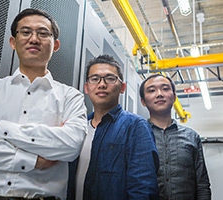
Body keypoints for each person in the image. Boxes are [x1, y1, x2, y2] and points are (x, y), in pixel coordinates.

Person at [0, 8, 87, 200]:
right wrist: (32, 159)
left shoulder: (71, 97)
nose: (34, 39)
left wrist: (1, 131)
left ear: (55, 45)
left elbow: (70, 146)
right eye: (25, 32)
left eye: (43, 33)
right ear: (13, 42)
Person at [68, 54, 159, 200]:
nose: (102, 84)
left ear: (122, 87)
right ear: (86, 87)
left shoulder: (135, 127)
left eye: (110, 78)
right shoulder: (78, 126)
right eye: (94, 78)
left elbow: (143, 188)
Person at [139, 73, 212, 200]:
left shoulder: (191, 137)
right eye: (151, 90)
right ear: (143, 101)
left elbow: (202, 184)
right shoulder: (137, 136)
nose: (159, 94)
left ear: (174, 97)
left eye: (165, 88)